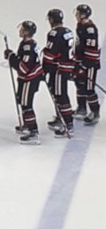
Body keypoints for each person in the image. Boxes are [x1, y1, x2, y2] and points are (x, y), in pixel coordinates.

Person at [4, 20, 44, 145]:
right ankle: (27, 125)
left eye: (22, 29)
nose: (20, 31)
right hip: (26, 79)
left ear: (27, 32)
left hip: (29, 80)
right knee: (21, 100)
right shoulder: (26, 43)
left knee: (27, 105)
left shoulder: (28, 47)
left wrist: (11, 57)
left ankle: (33, 132)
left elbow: (23, 68)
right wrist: (12, 56)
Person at [43, 8, 75, 137]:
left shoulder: (54, 33)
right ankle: (61, 118)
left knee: (60, 95)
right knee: (59, 94)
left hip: (58, 69)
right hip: (66, 67)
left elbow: (50, 55)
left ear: (51, 19)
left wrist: (44, 69)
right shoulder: (68, 31)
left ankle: (68, 125)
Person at [72, 4, 100, 125]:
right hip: (80, 62)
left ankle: (95, 112)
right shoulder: (80, 25)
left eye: (78, 13)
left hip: (90, 64)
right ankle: (82, 108)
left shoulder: (90, 29)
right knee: (79, 85)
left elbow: (92, 50)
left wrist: (85, 65)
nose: (76, 15)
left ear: (83, 15)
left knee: (89, 89)